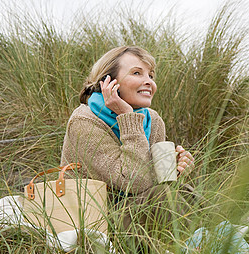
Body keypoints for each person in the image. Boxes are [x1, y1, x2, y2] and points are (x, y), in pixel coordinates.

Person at [60, 46, 195, 240]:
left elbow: (154, 182)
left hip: (139, 212)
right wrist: (127, 117)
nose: (148, 81)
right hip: (100, 219)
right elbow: (135, 181)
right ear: (109, 82)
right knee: (164, 197)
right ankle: (197, 251)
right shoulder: (84, 121)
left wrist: (177, 170)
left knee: (183, 191)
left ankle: (207, 246)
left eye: (151, 75)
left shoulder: (153, 120)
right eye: (137, 73)